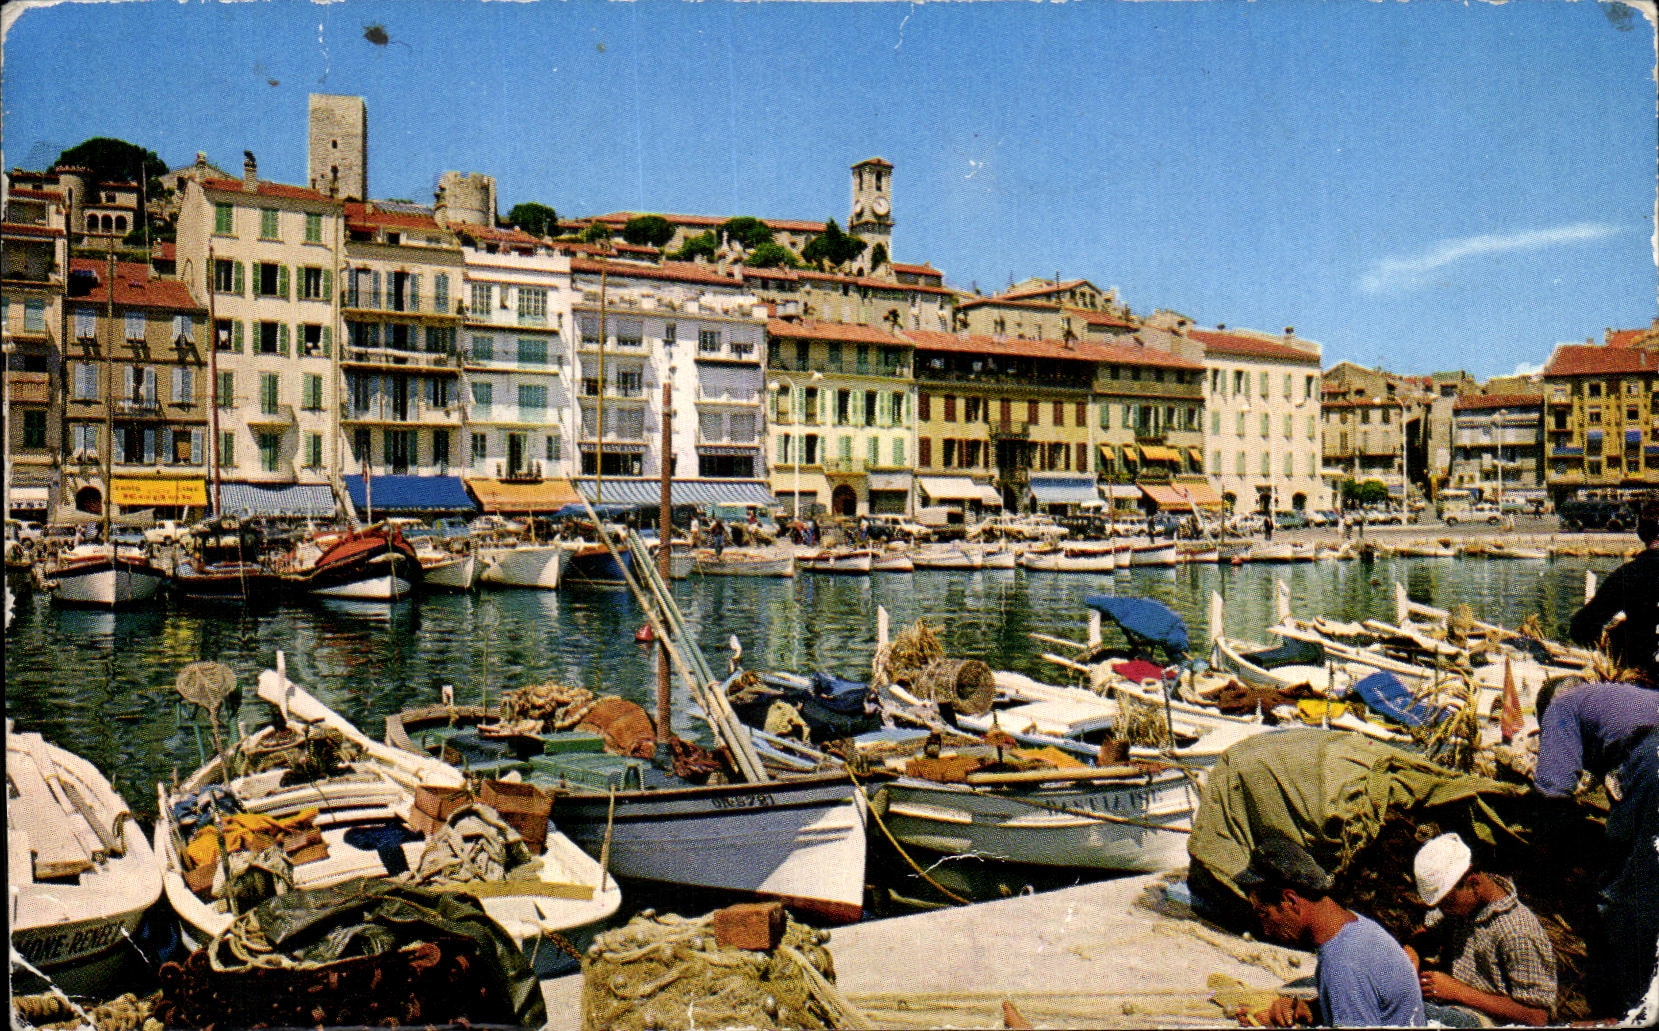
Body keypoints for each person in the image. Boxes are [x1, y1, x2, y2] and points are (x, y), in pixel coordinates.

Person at [1531, 679, 1659, 1017]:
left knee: (1627, 894)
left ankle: (1630, 1008)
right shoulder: (1617, 697)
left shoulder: (1561, 705)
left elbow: (1552, 794)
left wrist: (1546, 856)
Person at [1234, 835, 1425, 1027]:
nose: (1266, 930)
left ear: (1290, 900)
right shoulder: (1356, 926)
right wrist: (1311, 1010)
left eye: (1264, 914)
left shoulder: (1342, 964)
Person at [1408, 832, 1556, 1027]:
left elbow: (1537, 1017)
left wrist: (1457, 991)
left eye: (1448, 901)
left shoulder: (1518, 932)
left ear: (1473, 883)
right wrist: (1410, 955)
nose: (1443, 909)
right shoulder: (1460, 907)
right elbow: (1427, 933)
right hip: (1453, 1007)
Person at [1568, 493, 1659, 686]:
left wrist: (1611, 638)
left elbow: (1581, 627)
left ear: (1641, 534)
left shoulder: (1628, 575)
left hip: (1644, 686)